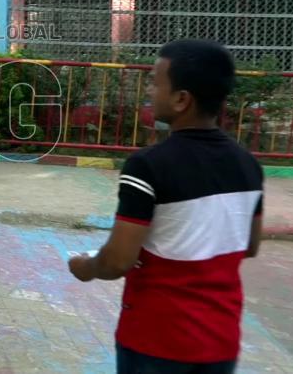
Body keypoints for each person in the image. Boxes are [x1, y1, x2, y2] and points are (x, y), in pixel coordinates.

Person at [67, 39, 264, 374]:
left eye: (155, 83)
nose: (149, 91)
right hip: (220, 342)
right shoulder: (248, 165)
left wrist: (86, 267)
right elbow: (249, 246)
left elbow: (117, 260)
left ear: (181, 99)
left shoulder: (147, 166)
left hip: (155, 340)